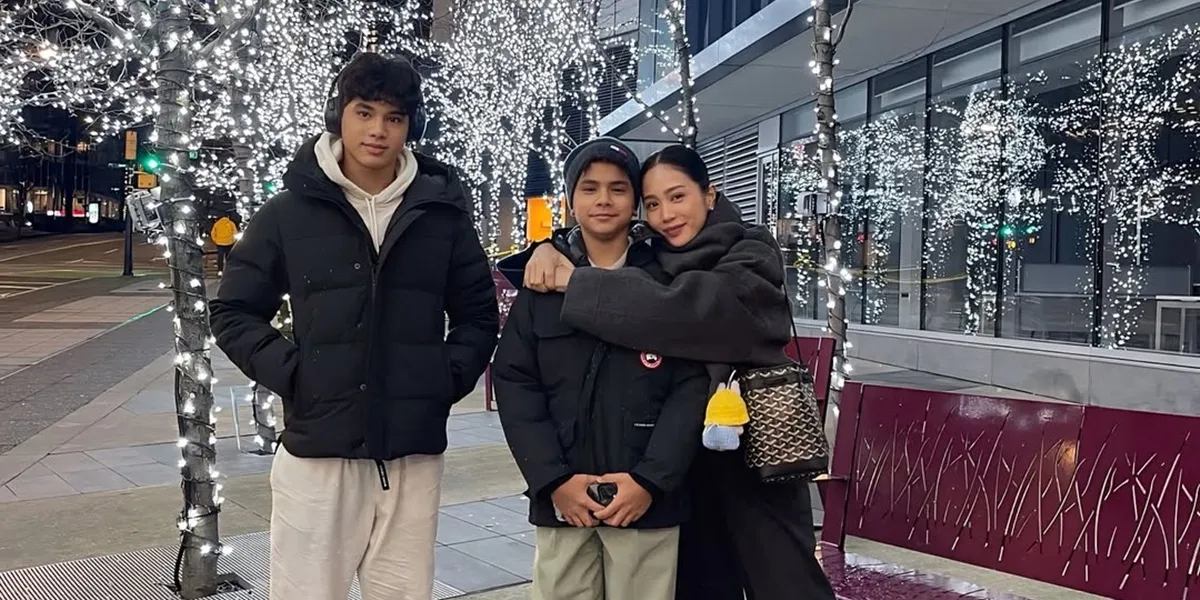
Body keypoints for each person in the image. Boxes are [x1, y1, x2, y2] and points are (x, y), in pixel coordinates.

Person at [209, 53, 498, 600]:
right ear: (338, 114)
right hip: (318, 454)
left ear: (411, 126)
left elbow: (479, 316)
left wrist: (441, 379)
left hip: (412, 455)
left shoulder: (442, 216)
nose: (378, 130)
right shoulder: (288, 212)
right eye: (364, 112)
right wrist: (297, 375)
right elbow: (233, 310)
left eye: (394, 117)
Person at [501, 144, 837, 600]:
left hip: (753, 454)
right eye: (654, 203)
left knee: (782, 579)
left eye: (678, 197)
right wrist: (549, 246)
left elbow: (687, 312)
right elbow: (600, 240)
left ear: (709, 194)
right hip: (683, 466)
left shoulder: (748, 251)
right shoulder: (658, 258)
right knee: (698, 584)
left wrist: (573, 280)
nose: (667, 215)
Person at [492, 137, 709, 600]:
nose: (604, 200)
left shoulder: (667, 281)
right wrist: (552, 479)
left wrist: (650, 480)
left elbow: (691, 384)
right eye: (589, 188)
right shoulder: (542, 281)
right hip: (565, 500)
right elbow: (514, 380)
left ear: (635, 201)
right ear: (571, 200)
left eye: (618, 188)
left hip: (645, 502)